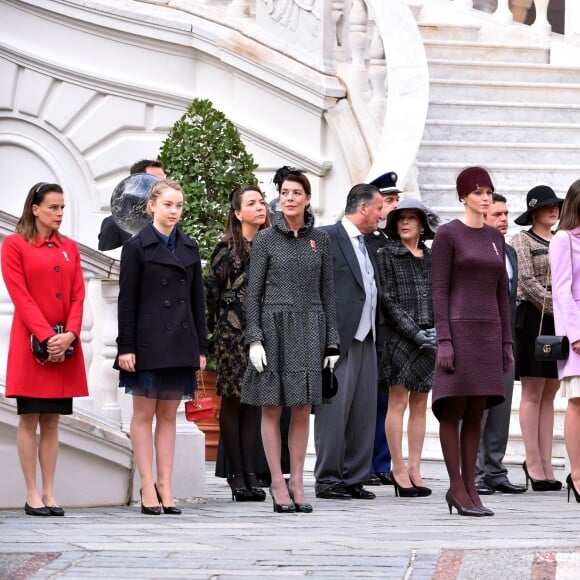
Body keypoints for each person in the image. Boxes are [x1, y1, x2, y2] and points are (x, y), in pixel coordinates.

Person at [241, 171, 339, 514]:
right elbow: (252, 295)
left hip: (312, 327)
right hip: (273, 326)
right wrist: (254, 338)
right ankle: (277, 483)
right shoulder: (266, 238)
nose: (290, 198)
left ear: (308, 199)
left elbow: (328, 292)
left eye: (297, 192)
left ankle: (298, 481)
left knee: (301, 408)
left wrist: (332, 343)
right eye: (285, 192)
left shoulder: (322, 240)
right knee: (272, 407)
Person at [115, 178, 208, 515]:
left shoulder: (190, 247)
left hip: (180, 343)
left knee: (170, 415)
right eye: (168, 204)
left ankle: (166, 485)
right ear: (152, 205)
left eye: (179, 206)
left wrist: (201, 348)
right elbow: (127, 301)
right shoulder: (137, 246)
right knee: (143, 416)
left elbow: (198, 301)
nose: (174, 211)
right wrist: (126, 347)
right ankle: (146, 485)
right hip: (147, 342)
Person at [1, 182, 88, 516]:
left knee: (52, 420)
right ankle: (31, 493)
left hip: (63, 347)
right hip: (31, 348)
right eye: (53, 207)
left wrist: (71, 335)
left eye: (62, 208)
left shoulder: (69, 248)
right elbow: (19, 294)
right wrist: (46, 336)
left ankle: (50, 492)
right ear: (35, 209)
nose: (59, 214)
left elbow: (78, 294)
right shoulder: (14, 245)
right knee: (29, 418)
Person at [431, 166, 513, 517]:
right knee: (453, 409)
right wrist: (444, 339)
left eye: (489, 192)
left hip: (488, 333)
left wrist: (507, 343)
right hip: (459, 331)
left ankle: (470, 487)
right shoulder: (448, 235)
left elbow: (502, 295)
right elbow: (438, 290)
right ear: (463, 196)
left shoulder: (496, 239)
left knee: (477, 413)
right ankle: (456, 486)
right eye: (478, 192)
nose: (485, 198)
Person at [314, 183, 383, 501]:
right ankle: (328, 478)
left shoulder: (368, 244)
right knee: (334, 410)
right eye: (379, 207)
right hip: (337, 338)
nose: (382, 214)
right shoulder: (326, 236)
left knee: (363, 410)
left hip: (367, 336)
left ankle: (354, 477)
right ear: (364, 207)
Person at [205, 186, 270, 502]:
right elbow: (210, 297)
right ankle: (236, 475)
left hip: (265, 335)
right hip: (232, 336)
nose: (260, 207)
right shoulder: (226, 250)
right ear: (237, 212)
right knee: (233, 402)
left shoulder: (272, 245)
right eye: (252, 203)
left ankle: (251, 472)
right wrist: (206, 343)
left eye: (262, 202)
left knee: (254, 405)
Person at [377, 199, 439, 498]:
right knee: (397, 403)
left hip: (430, 337)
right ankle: (397, 467)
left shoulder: (432, 256)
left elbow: (442, 293)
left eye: (412, 218)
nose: (405, 223)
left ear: (422, 224)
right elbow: (386, 299)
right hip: (401, 338)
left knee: (419, 404)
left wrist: (437, 329)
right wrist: (414, 332)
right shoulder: (386, 254)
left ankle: (415, 467)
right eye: (401, 218)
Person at [512, 185, 564, 492]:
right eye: (546, 206)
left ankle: (546, 462)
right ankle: (532, 462)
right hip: (534, 319)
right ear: (533, 211)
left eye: (555, 205)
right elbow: (527, 281)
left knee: (551, 393)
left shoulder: (563, 239)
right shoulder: (521, 239)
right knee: (533, 392)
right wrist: (560, 307)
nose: (553, 210)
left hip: (561, 322)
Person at [475, 194, 527, 495]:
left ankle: (495, 470)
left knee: (502, 407)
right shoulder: (473, 250)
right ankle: (476, 473)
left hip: (506, 340)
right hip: (479, 340)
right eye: (498, 214)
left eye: (507, 213)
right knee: (478, 408)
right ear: (483, 216)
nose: (504, 219)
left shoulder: (509, 251)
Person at [364, 171, 400, 487]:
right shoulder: (364, 242)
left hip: (390, 332)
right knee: (367, 401)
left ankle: (381, 462)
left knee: (386, 401)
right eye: (387, 201)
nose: (392, 207)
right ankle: (365, 464)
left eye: (394, 200)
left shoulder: (391, 243)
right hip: (368, 331)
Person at [550, 179, 580, 503]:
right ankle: (577, 474)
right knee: (578, 401)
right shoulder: (562, 240)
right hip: (577, 327)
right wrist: (575, 334)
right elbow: (561, 290)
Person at [98, 159, 166, 251]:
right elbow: (104, 262)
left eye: (163, 182)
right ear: (137, 183)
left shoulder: (169, 220)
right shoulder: (114, 224)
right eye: (154, 180)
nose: (163, 187)